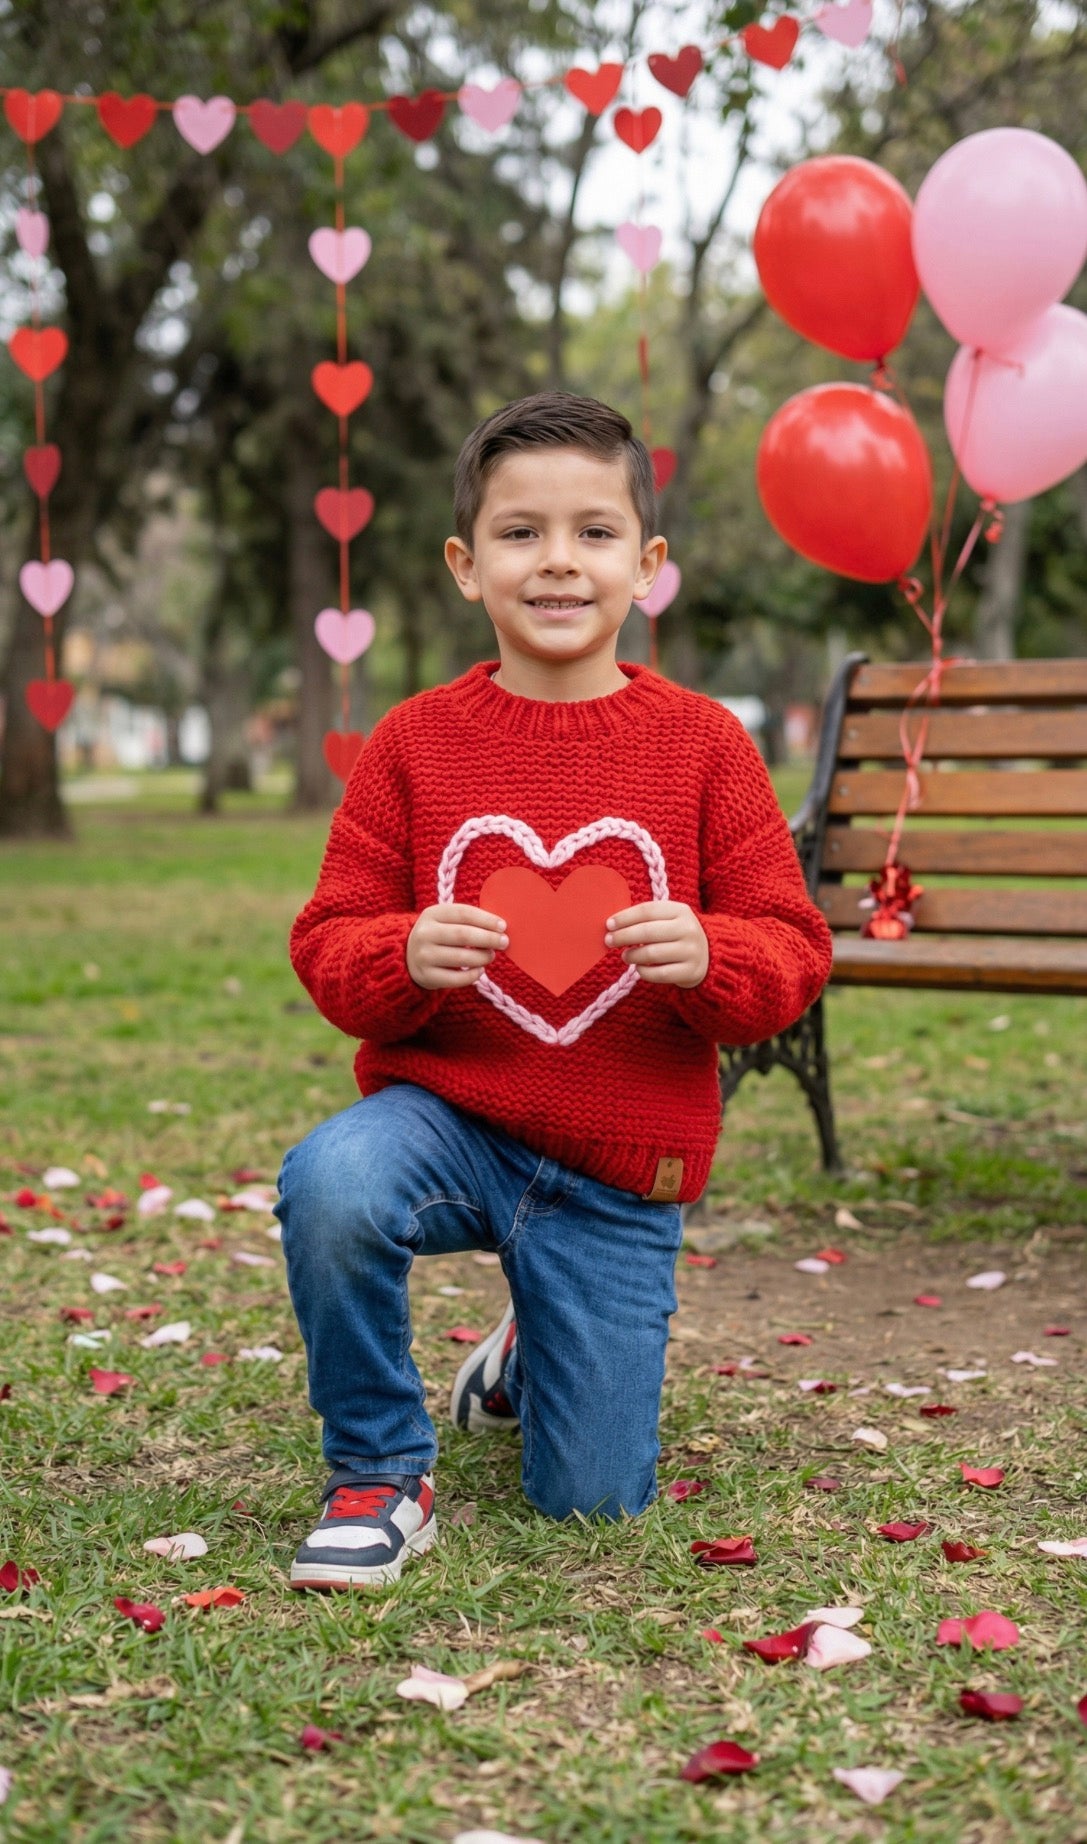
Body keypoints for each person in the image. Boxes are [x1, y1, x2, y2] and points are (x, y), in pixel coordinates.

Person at [275, 390, 833, 1591]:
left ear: (648, 563)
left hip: (616, 1171)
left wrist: (714, 956)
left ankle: (534, 1351)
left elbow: (791, 945)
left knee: (590, 1501)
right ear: (466, 566)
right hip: (451, 1122)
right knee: (331, 1179)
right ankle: (378, 1470)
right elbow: (327, 935)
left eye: (594, 530)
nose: (559, 562)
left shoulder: (704, 746)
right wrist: (400, 952)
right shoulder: (415, 743)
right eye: (521, 533)